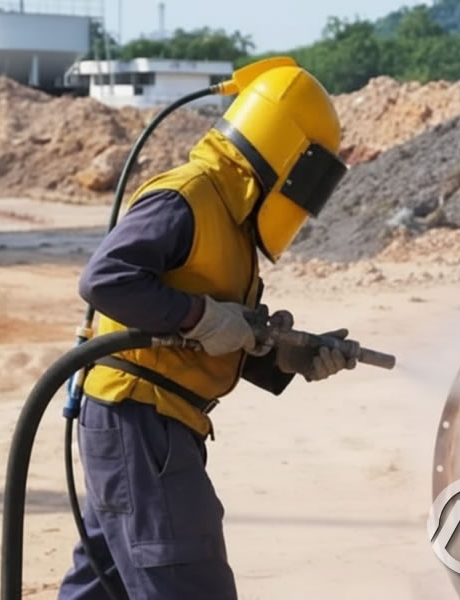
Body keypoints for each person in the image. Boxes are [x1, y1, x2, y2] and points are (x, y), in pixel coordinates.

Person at [58, 59, 352, 600]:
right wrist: (201, 316)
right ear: (287, 151)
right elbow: (105, 280)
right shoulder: (189, 197)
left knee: (103, 587)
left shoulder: (234, 224)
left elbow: (219, 334)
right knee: (186, 581)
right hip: (140, 419)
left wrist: (287, 355)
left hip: (150, 423)